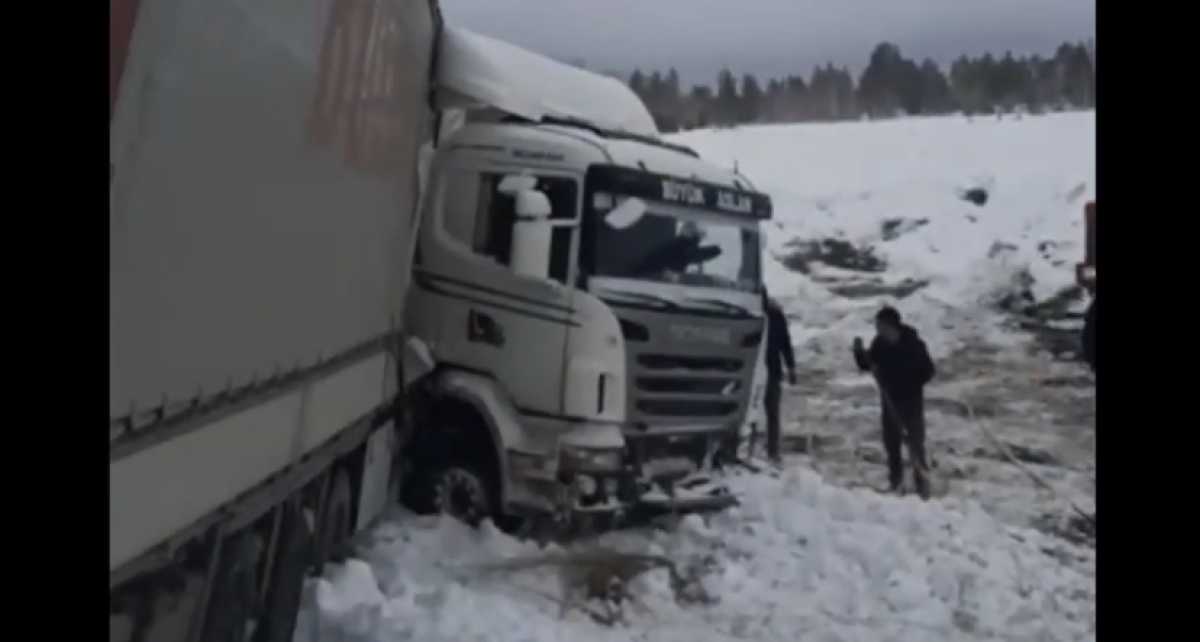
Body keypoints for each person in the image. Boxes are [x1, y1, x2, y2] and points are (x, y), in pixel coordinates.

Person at [852, 306, 936, 499]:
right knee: (892, 442)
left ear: (892, 327)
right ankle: (895, 480)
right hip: (889, 400)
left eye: (881, 326)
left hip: (911, 400)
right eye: (877, 326)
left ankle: (922, 483)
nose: (878, 330)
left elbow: (928, 371)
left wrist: (909, 380)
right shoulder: (879, 344)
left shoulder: (913, 344)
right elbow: (869, 363)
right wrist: (858, 353)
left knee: (915, 442)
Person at [763, 291, 797, 464]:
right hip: (751, 367)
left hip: (771, 370)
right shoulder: (748, 311)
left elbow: (785, 342)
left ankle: (772, 451)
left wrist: (791, 367)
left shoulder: (775, 315)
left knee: (772, 412)